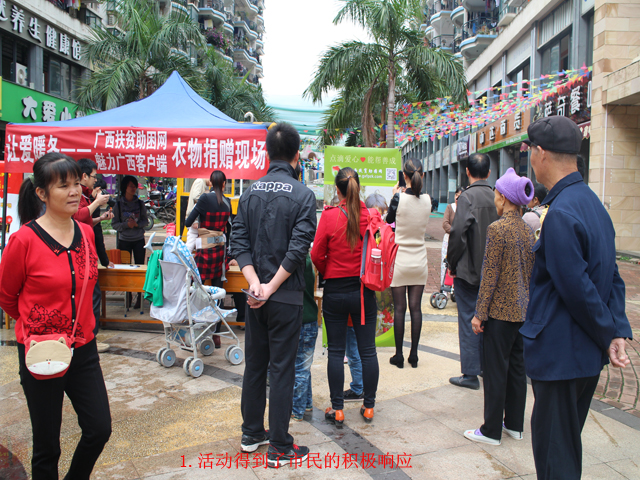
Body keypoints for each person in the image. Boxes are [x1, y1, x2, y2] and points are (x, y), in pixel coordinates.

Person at [521, 116, 632, 479]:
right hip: (581, 356)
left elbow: (577, 288)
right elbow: (613, 276)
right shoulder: (592, 204)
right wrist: (615, 330)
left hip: (561, 355)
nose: (530, 159)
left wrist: (609, 333)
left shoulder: (560, 213)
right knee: (565, 447)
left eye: (530, 152)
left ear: (541, 153)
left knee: (555, 458)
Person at [0, 153, 112, 479]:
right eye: (64, 185)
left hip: (84, 348)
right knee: (47, 447)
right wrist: (36, 323)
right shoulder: (23, 240)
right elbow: (7, 297)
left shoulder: (86, 233)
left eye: (76, 183)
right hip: (41, 349)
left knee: (99, 428)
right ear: (42, 193)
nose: (75, 191)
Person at [230, 123, 317, 468]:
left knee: (255, 365)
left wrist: (256, 283)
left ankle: (251, 432)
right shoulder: (303, 195)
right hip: (285, 296)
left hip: (255, 297)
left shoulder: (249, 192)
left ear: (268, 152)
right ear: (296, 155)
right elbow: (298, 249)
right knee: (281, 369)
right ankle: (280, 446)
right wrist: (271, 286)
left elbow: (238, 241)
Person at [462, 168, 535, 446]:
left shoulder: (497, 229)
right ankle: (514, 425)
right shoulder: (527, 231)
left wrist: (479, 314)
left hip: (500, 314)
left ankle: (491, 430)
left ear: (503, 197)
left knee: (495, 372)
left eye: (496, 194)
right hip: (522, 311)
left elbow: (489, 275)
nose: (494, 198)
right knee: (517, 369)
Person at [311, 167, 380, 425]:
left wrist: (329, 269)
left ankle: (338, 409)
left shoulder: (329, 217)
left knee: (336, 351)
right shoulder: (371, 216)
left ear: (338, 190)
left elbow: (316, 254)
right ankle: (369, 407)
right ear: (357, 188)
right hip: (363, 292)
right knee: (368, 351)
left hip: (335, 292)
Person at [447, 153, 499, 389]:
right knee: (489, 320)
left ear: (467, 171)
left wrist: (451, 262)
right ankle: (487, 368)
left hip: (469, 272)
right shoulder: (498, 197)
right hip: (494, 272)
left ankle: (470, 373)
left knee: (469, 319)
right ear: (488, 172)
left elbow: (457, 234)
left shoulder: (467, 197)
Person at [386, 158, 431, 369]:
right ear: (422, 175)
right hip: (419, 258)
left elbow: (388, 220)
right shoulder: (429, 200)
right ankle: (414, 355)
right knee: (416, 309)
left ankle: (399, 355)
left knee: (399, 309)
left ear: (404, 176)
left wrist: (395, 194)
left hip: (401, 258)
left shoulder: (399, 198)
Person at [185, 170, 231, 348]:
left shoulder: (204, 199)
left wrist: (201, 225)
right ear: (224, 183)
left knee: (197, 292)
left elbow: (188, 222)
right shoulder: (227, 203)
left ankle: (196, 331)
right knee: (218, 293)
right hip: (219, 254)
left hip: (204, 252)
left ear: (210, 183)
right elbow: (228, 230)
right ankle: (216, 334)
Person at [75, 159, 114, 354]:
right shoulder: (78, 195)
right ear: (84, 176)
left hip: (86, 253)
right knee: (92, 295)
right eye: (93, 176)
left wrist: (100, 217)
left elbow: (87, 221)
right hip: (80, 254)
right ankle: (90, 338)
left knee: (92, 294)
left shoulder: (84, 195)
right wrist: (97, 202)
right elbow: (78, 217)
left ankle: (89, 337)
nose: (94, 180)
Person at [112, 175, 148, 308]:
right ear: (125, 188)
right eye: (131, 186)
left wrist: (137, 225)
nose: (133, 188)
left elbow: (145, 221)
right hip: (124, 241)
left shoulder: (140, 204)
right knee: (125, 269)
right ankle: (128, 295)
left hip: (139, 240)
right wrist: (127, 225)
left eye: (135, 186)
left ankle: (139, 296)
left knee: (139, 268)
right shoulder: (118, 205)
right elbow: (114, 224)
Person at [291, 254, 319, 421]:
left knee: (299, 369)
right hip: (310, 319)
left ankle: (297, 410)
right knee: (304, 366)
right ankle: (307, 403)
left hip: (299, 318)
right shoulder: (307, 260)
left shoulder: (294, 262)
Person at [441, 187, 463, 286]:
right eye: (456, 195)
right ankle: (444, 288)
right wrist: (457, 232)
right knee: (445, 265)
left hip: (460, 242)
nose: (457, 197)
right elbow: (445, 224)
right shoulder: (450, 207)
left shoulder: (465, 209)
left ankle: (455, 288)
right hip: (448, 240)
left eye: (460, 195)